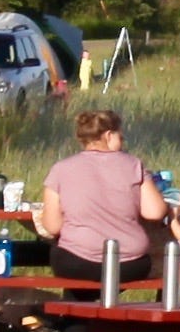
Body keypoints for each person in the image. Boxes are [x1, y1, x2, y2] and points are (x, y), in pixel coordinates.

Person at [41, 107, 162, 291]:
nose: (123, 142)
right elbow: (155, 211)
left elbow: (52, 226)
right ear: (108, 136)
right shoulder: (133, 165)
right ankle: (101, 315)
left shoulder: (60, 169)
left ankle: (75, 316)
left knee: (64, 263)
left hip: (76, 262)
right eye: (120, 137)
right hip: (129, 264)